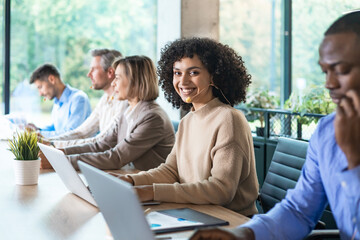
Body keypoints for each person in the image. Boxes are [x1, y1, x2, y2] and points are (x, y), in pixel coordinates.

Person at [190, 11, 360, 240]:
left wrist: (353, 163)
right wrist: (244, 234)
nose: (329, 84)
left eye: (341, 70)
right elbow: (298, 210)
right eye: (325, 72)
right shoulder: (327, 131)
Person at [115, 37, 259, 217]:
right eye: (177, 73)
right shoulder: (188, 120)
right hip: (196, 213)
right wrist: (129, 181)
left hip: (230, 221)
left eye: (193, 73)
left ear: (214, 76)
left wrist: (150, 192)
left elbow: (221, 190)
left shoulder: (229, 119)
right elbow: (170, 171)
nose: (182, 81)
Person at [43, 55, 175, 171]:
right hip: (130, 179)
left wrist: (60, 161)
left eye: (117, 78)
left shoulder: (152, 117)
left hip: (147, 190)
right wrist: (60, 153)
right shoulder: (128, 112)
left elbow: (117, 157)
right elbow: (101, 145)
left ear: (134, 82)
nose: (113, 83)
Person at [45, 49, 128, 147]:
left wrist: (52, 143)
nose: (89, 74)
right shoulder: (104, 100)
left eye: (94, 69)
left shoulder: (124, 102)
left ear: (110, 72)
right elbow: (82, 132)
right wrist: (48, 140)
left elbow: (102, 140)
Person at [26, 64, 91, 138]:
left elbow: (71, 134)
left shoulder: (79, 99)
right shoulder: (57, 102)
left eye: (40, 87)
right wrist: (38, 129)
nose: (40, 93)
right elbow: (56, 128)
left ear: (52, 79)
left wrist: (39, 134)